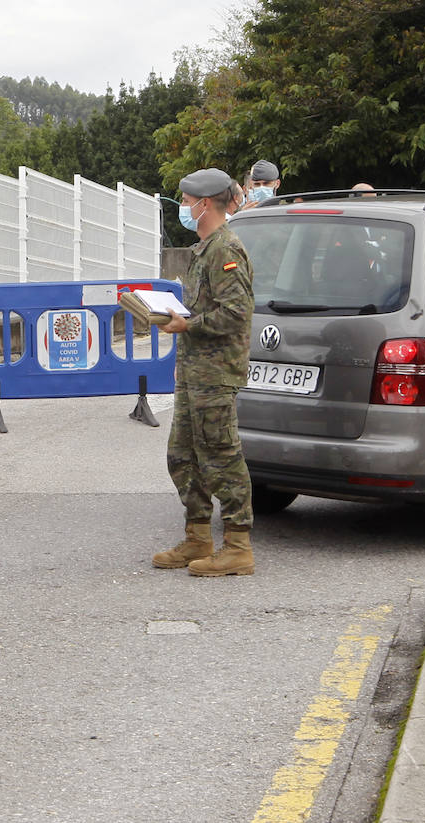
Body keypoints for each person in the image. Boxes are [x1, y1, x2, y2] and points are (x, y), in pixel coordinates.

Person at [152, 167, 256, 576]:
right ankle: (197, 537)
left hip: (217, 374)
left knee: (221, 456)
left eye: (187, 200)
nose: (183, 207)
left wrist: (187, 325)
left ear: (205, 204)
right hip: (195, 373)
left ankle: (237, 546)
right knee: (183, 455)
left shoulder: (225, 250)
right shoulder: (204, 248)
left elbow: (236, 313)